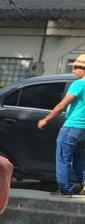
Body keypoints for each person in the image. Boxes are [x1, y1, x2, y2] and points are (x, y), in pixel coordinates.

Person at [37, 54, 85, 196]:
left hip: (71, 126)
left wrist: (46, 119)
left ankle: (65, 189)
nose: (73, 71)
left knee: (63, 158)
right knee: (78, 157)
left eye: (76, 68)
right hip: (83, 130)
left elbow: (62, 105)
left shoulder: (78, 84)